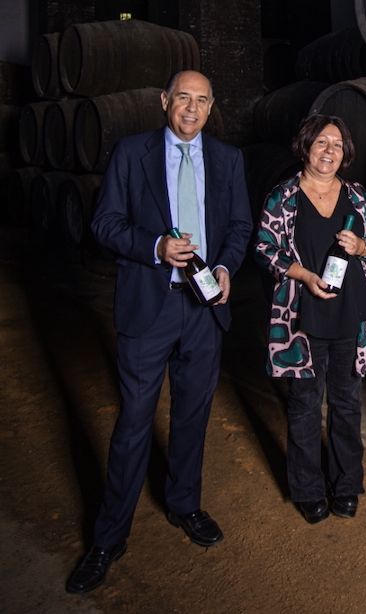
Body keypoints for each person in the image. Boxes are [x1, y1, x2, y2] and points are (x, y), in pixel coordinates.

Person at [66, 70, 252, 593]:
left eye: (202, 101)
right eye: (183, 99)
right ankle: (108, 537)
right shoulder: (131, 153)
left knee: (192, 418)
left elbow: (239, 226)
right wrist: (155, 248)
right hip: (150, 310)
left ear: (212, 108)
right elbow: (104, 224)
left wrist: (226, 268)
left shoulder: (228, 159)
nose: (191, 109)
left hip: (204, 311)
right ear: (164, 101)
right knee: (133, 424)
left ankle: (184, 505)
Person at [255, 114, 366, 525]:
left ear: (345, 152)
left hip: (351, 315)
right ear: (305, 147)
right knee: (305, 405)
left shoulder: (359, 196)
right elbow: (264, 248)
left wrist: (365, 245)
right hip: (302, 315)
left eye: (336, 144)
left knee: (347, 405)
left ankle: (347, 485)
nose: (329, 151)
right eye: (321, 143)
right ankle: (309, 490)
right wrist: (304, 275)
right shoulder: (284, 197)